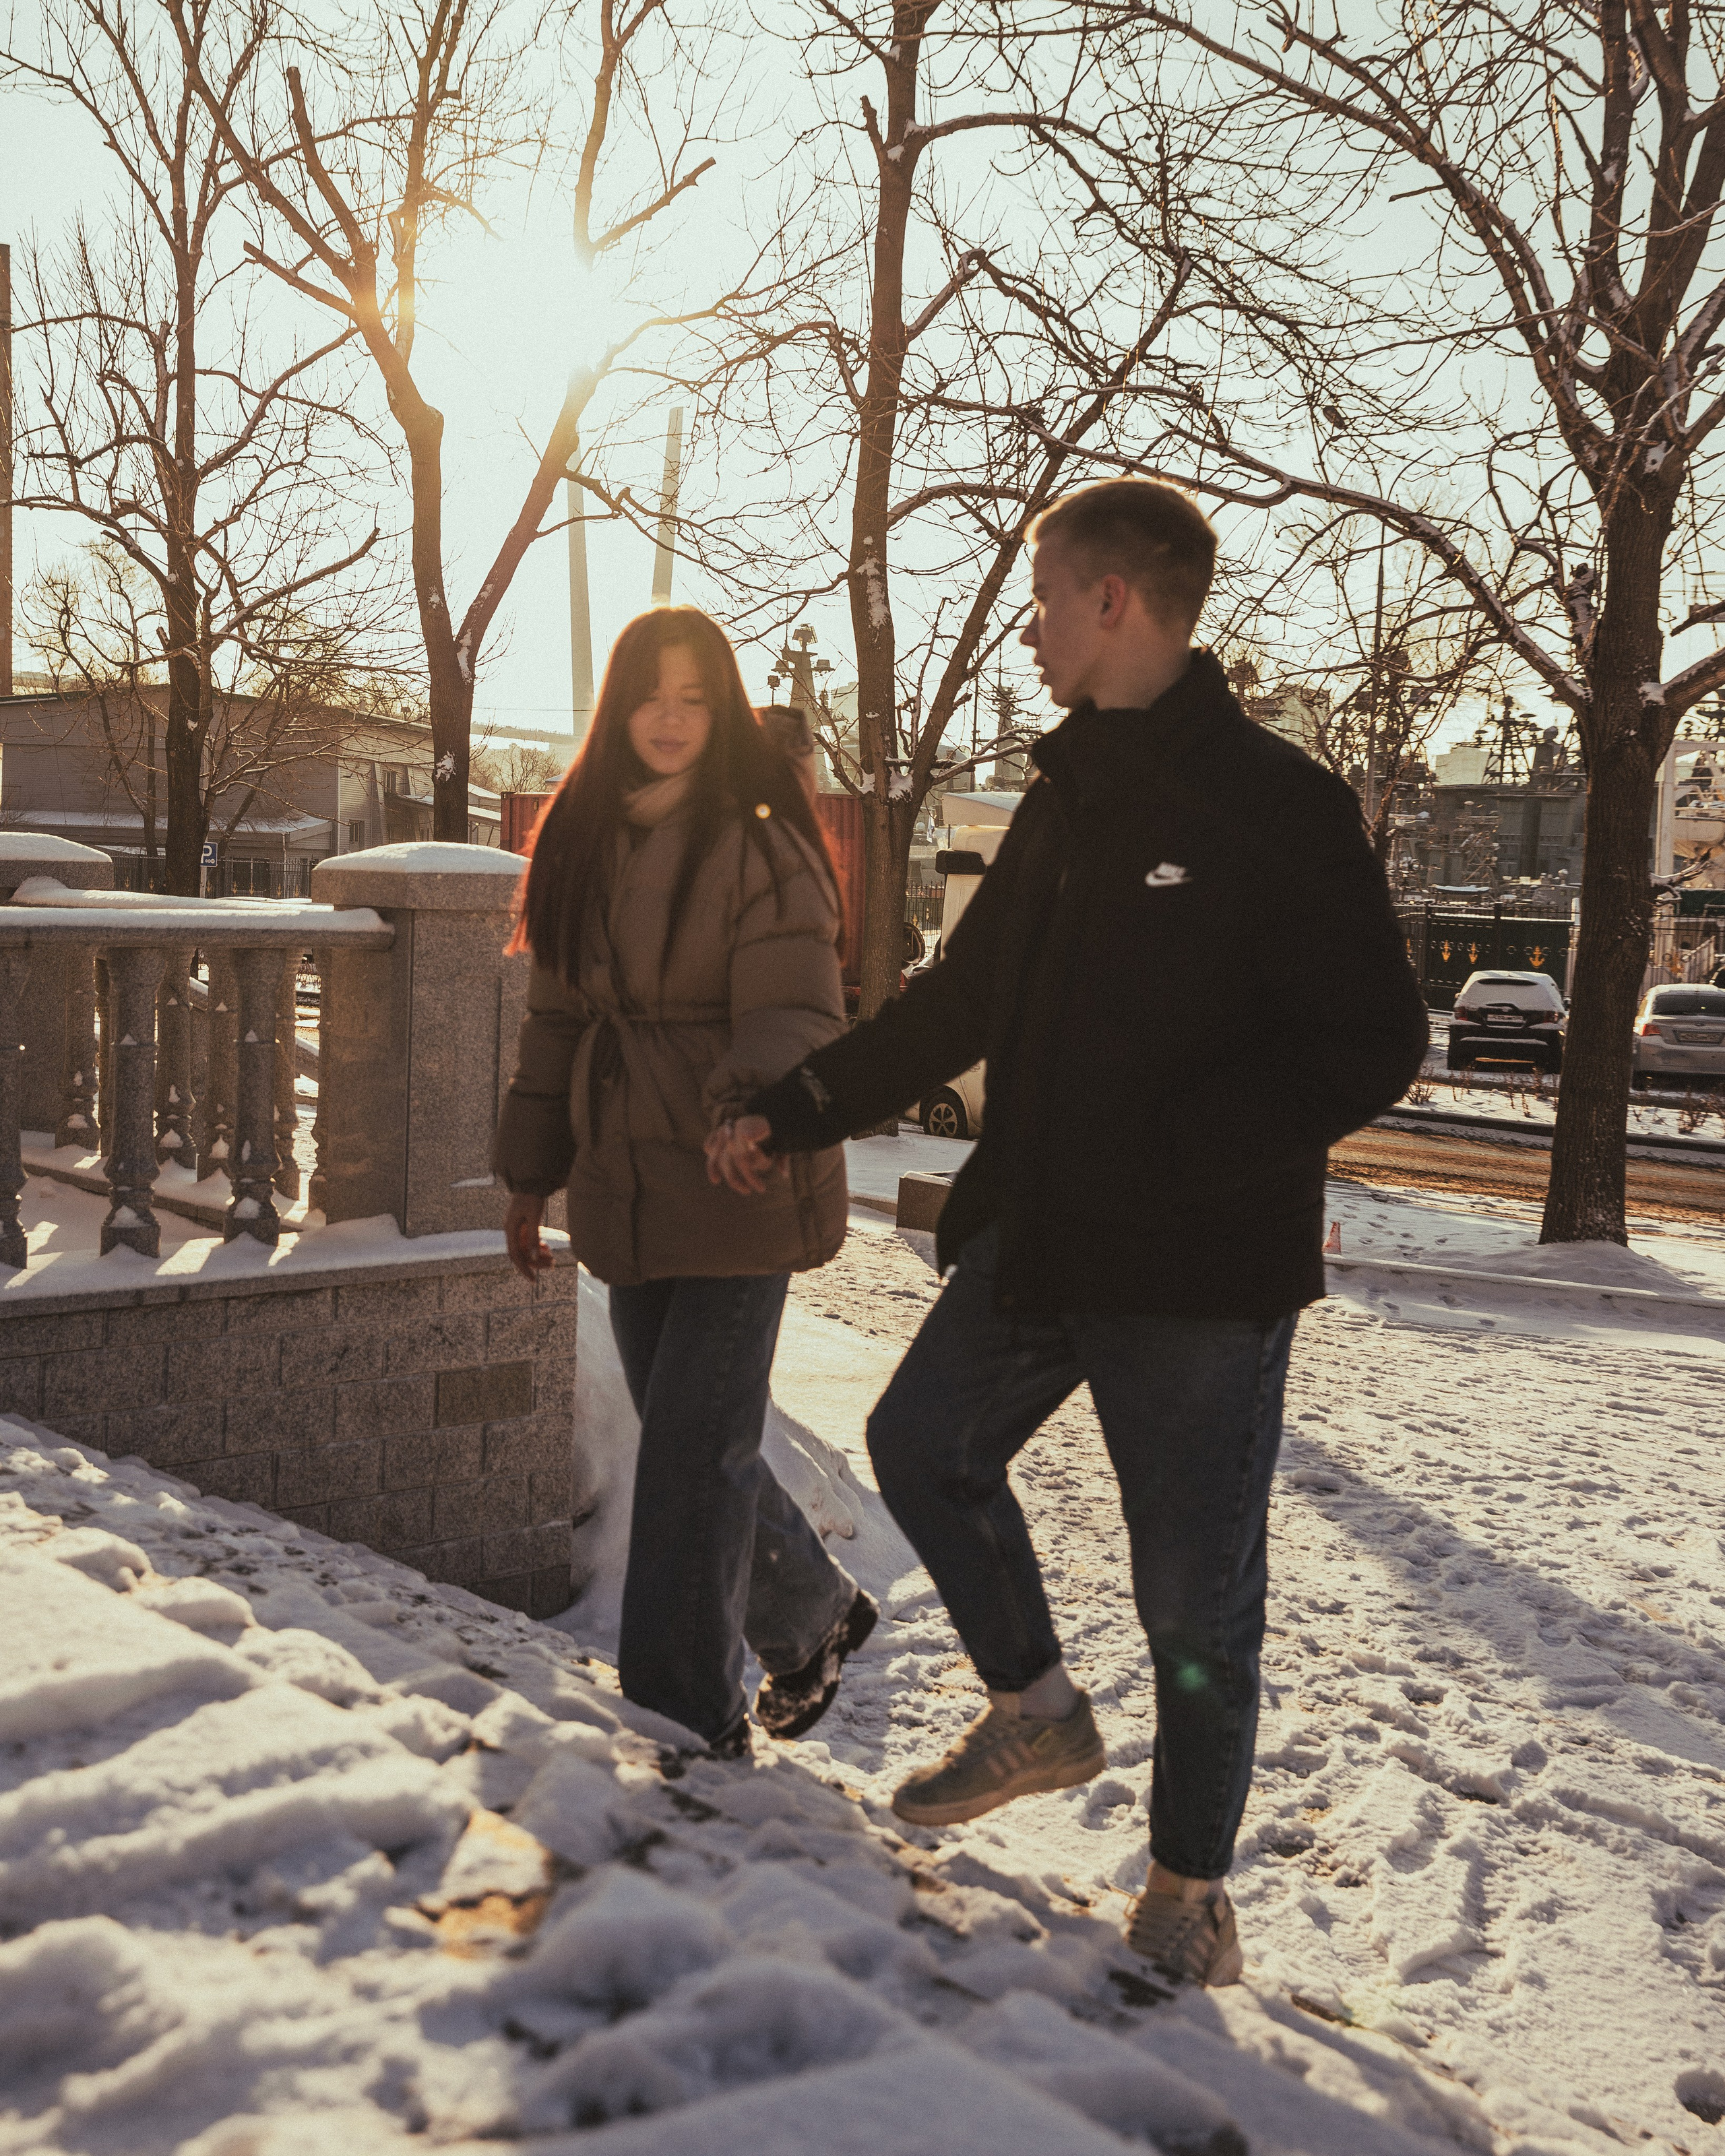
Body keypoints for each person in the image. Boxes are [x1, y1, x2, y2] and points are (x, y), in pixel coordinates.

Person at [708, 480, 1429, 1983]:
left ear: (1116, 600)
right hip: (1041, 1237)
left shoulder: (1277, 805)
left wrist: (1181, 1149)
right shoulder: (1063, 797)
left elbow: (1367, 1039)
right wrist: (798, 1104)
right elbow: (957, 1006)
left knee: (1194, 1594)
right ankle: (1035, 1704)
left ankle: (1183, 1892)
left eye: (1043, 599)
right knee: (920, 1441)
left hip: (1196, 1273)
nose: (1027, 629)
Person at [495, 606, 877, 1758]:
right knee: (689, 1436)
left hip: (739, 1174)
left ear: (722, 713)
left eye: (695, 697)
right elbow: (557, 1024)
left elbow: (793, 1005)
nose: (671, 717)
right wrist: (528, 1178)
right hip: (626, 1174)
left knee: (688, 1463)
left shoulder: (764, 842)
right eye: (651, 695)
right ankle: (812, 1614)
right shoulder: (577, 841)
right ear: (618, 707)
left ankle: (681, 1718)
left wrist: (751, 1111)